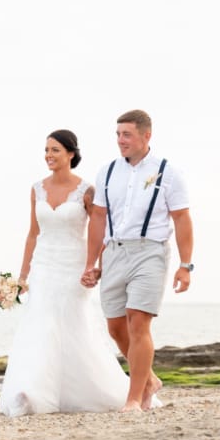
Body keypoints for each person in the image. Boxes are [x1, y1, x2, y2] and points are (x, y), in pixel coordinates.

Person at [0, 129, 150, 417]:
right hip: (44, 265)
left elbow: (100, 231)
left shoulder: (87, 190)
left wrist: (95, 266)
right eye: (46, 150)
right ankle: (30, 393)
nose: (48, 156)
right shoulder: (36, 189)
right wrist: (22, 275)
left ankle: (99, 389)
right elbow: (32, 234)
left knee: (72, 326)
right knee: (39, 324)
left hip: (74, 266)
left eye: (55, 150)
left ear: (71, 154)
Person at [81, 109, 194, 413]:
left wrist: (186, 265)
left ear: (147, 136)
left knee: (138, 321)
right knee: (116, 326)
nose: (120, 140)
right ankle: (150, 381)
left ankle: (134, 399)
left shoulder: (168, 172)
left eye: (127, 134)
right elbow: (99, 219)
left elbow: (182, 218)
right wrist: (91, 263)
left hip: (151, 251)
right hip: (114, 251)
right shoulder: (106, 171)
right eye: (118, 134)